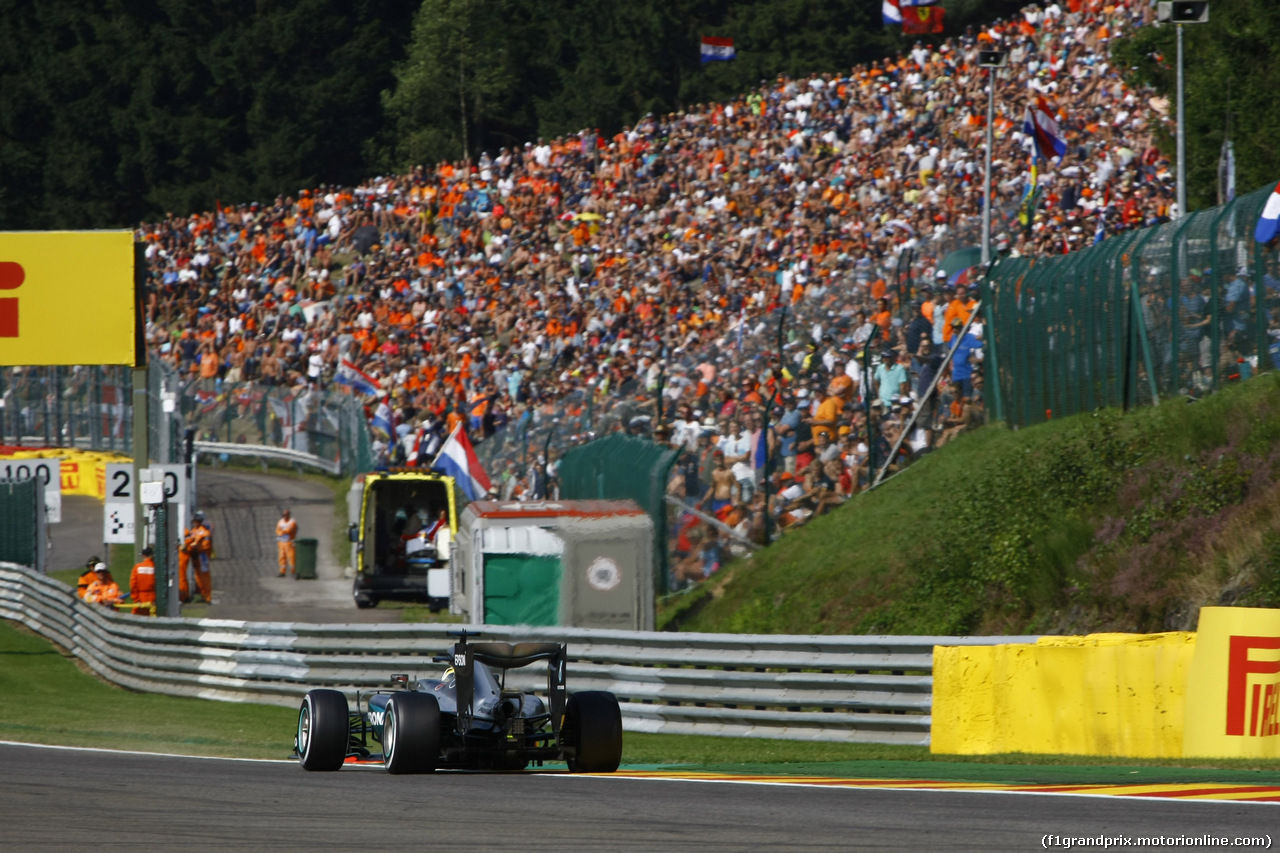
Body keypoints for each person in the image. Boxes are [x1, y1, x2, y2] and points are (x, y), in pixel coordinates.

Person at [179, 512, 213, 602]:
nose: (194, 523)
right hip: (195, 556)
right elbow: (190, 540)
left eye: (196, 521)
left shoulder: (204, 532)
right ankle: (203, 595)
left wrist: (194, 545)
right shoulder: (194, 531)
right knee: (198, 578)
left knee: (204, 578)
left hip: (202, 557)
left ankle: (207, 597)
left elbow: (206, 545)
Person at [129, 546, 157, 616]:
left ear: (143, 555)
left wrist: (136, 599)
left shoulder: (137, 567)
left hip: (140, 599)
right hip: (153, 599)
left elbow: (133, 585)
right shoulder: (155, 567)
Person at [276, 507, 299, 576]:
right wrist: (282, 532)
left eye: (286, 515)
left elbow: (289, 530)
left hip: (290, 543)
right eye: (283, 515)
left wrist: (282, 532)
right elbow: (277, 530)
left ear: (289, 515)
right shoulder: (280, 521)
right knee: (281, 557)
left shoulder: (292, 522)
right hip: (281, 542)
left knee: (291, 557)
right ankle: (282, 572)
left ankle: (293, 571)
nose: (285, 516)